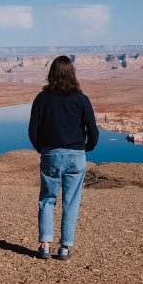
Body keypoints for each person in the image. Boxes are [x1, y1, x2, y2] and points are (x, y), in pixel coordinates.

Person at [28, 55, 99, 260]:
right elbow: (93, 131)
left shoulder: (42, 99)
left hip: (50, 154)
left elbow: (33, 132)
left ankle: (44, 245)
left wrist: (43, 149)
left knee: (47, 200)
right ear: (72, 74)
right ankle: (65, 248)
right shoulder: (81, 99)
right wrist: (87, 148)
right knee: (71, 202)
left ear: (51, 74)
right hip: (76, 156)